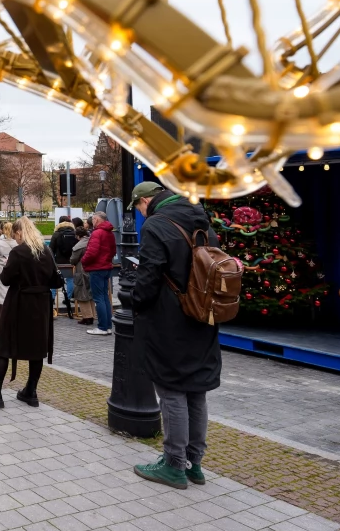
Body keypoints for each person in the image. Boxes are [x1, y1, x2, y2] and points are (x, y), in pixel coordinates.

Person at [127, 181, 222, 491]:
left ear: (145, 201)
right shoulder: (201, 219)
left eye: (138, 208)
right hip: (202, 315)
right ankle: (196, 464)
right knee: (196, 390)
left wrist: (136, 302)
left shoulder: (156, 224)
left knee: (171, 390)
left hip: (169, 319)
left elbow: (150, 275)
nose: (140, 213)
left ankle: (173, 464)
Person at [0, 217, 61, 409]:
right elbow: (52, 278)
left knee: (3, 346)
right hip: (40, 305)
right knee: (37, 348)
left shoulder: (18, 252)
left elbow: (6, 279)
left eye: (15, 235)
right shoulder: (46, 251)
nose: (14, 239)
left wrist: (8, 266)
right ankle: (31, 391)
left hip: (18, 302)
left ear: (18, 232)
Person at [82, 211, 117, 336]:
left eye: (93, 219)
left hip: (96, 268)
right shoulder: (110, 233)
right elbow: (113, 250)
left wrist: (83, 261)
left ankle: (102, 327)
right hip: (106, 267)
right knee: (105, 297)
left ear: (96, 220)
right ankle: (108, 326)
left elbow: (91, 252)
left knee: (98, 298)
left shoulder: (97, 233)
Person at [49, 216, 79, 318]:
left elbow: (51, 249)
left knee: (54, 279)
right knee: (70, 280)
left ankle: (52, 299)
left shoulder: (56, 234)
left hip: (58, 262)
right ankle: (68, 298)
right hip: (72, 261)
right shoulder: (75, 233)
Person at [0, 222, 18, 324]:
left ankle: (0, 325)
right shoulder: (17, 243)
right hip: (14, 275)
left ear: (2, 230)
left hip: (0, 274)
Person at [70, 227, 94, 324]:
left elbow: (73, 260)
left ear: (77, 236)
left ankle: (87, 316)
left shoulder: (78, 246)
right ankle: (93, 314)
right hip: (93, 270)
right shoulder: (92, 241)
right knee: (91, 294)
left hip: (82, 271)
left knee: (82, 294)